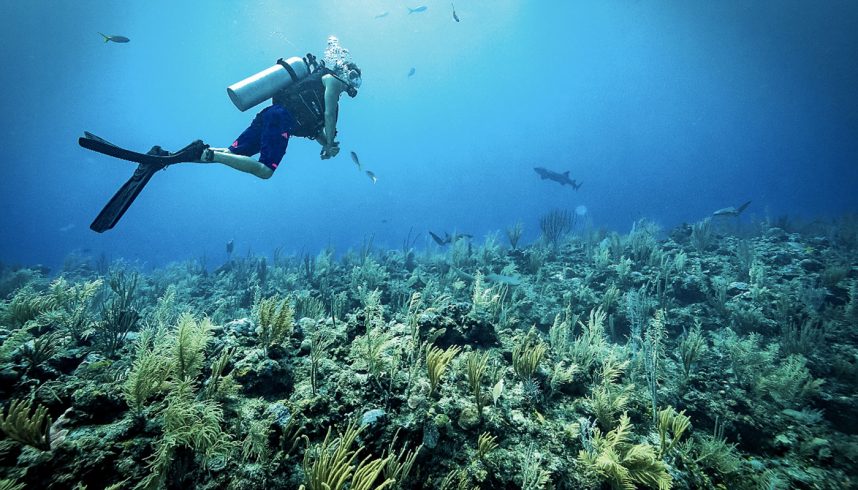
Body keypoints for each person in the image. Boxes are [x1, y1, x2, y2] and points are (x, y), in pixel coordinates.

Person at [198, 36, 362, 179]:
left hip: (273, 114)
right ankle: (212, 155)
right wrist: (330, 142)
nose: (352, 84)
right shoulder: (333, 80)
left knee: (233, 154)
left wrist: (328, 145)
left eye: (357, 82)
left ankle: (182, 156)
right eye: (353, 77)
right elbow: (329, 115)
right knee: (265, 171)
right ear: (341, 72)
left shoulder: (317, 92)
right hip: (283, 119)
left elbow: (315, 129)